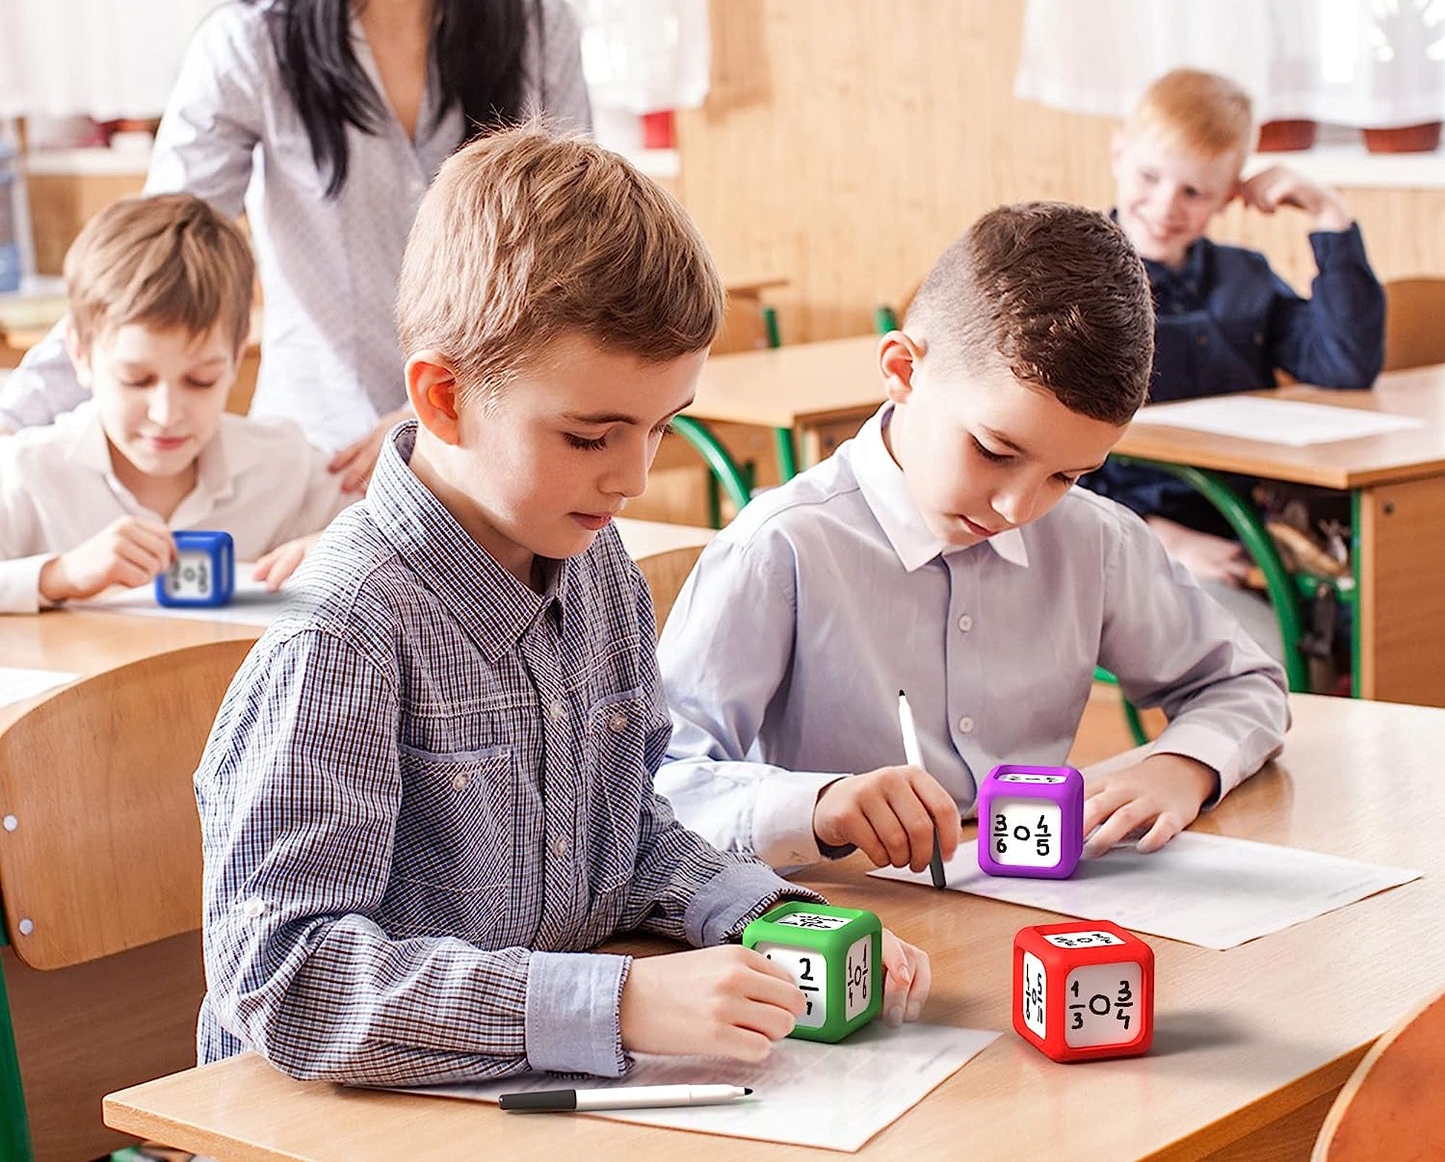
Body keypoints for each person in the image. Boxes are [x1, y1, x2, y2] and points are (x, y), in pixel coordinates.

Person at [194, 127, 930, 1086]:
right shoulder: (339, 637)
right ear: (445, 397)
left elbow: (617, 838)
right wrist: (616, 1000)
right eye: (591, 435)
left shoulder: (595, 567)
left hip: (530, 1100)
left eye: (664, 428)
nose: (632, 477)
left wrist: (767, 915)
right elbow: (286, 982)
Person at [0, 0, 591, 489]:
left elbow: (579, 265)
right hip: (326, 471)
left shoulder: (536, 28)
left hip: (504, 452)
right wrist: (12, 419)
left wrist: (449, 409)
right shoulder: (251, 45)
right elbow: (151, 265)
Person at [655, 203, 1289, 876]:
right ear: (901, 370)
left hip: (1031, 902)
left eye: (1066, 475)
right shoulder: (781, 548)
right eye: (993, 449)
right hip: (849, 922)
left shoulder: (1092, 540)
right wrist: (817, 804)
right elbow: (656, 787)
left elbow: (1243, 682)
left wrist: (1179, 767)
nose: (1019, 505)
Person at [1082, 68, 1384, 657]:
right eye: (1149, 176)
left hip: (1268, 537)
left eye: (1195, 192)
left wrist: (1329, 215)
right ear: (1118, 152)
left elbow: (1344, 363)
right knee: (1269, 656)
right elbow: (1044, 453)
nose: (1167, 206)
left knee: (1382, 624)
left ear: (1229, 194)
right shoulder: (1074, 282)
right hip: (1133, 540)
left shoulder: (1244, 279)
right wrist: (1162, 538)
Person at [0, 196, 349, 613]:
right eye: (136, 380)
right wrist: (58, 575)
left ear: (237, 357)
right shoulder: (26, 473)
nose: (166, 414)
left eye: (200, 381)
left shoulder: (286, 464)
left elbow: (408, 542)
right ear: (80, 355)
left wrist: (345, 554)